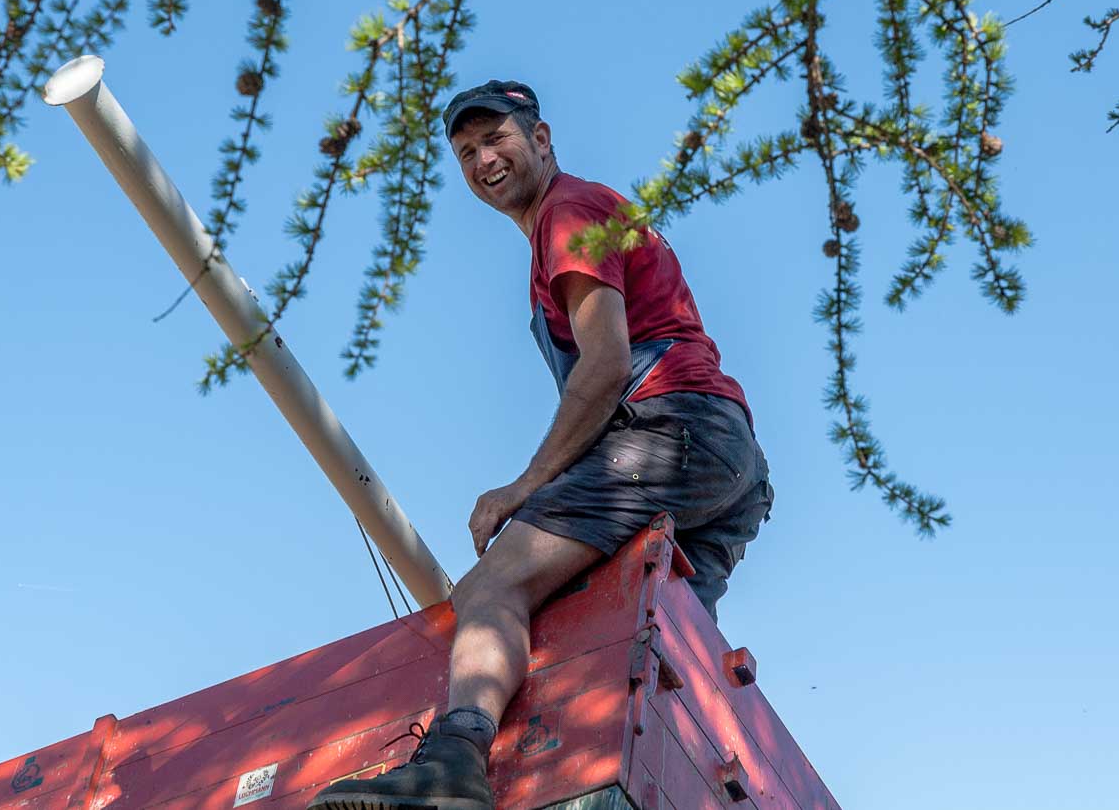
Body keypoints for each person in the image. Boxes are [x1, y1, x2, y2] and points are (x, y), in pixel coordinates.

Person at [308, 80, 773, 810]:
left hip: (672, 430)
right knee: (648, 631)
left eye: (496, 139)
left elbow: (606, 363)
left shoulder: (568, 211)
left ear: (542, 138)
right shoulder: (575, 217)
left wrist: (523, 486)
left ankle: (453, 763)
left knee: (493, 586)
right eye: (466, 152)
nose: (482, 160)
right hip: (730, 459)